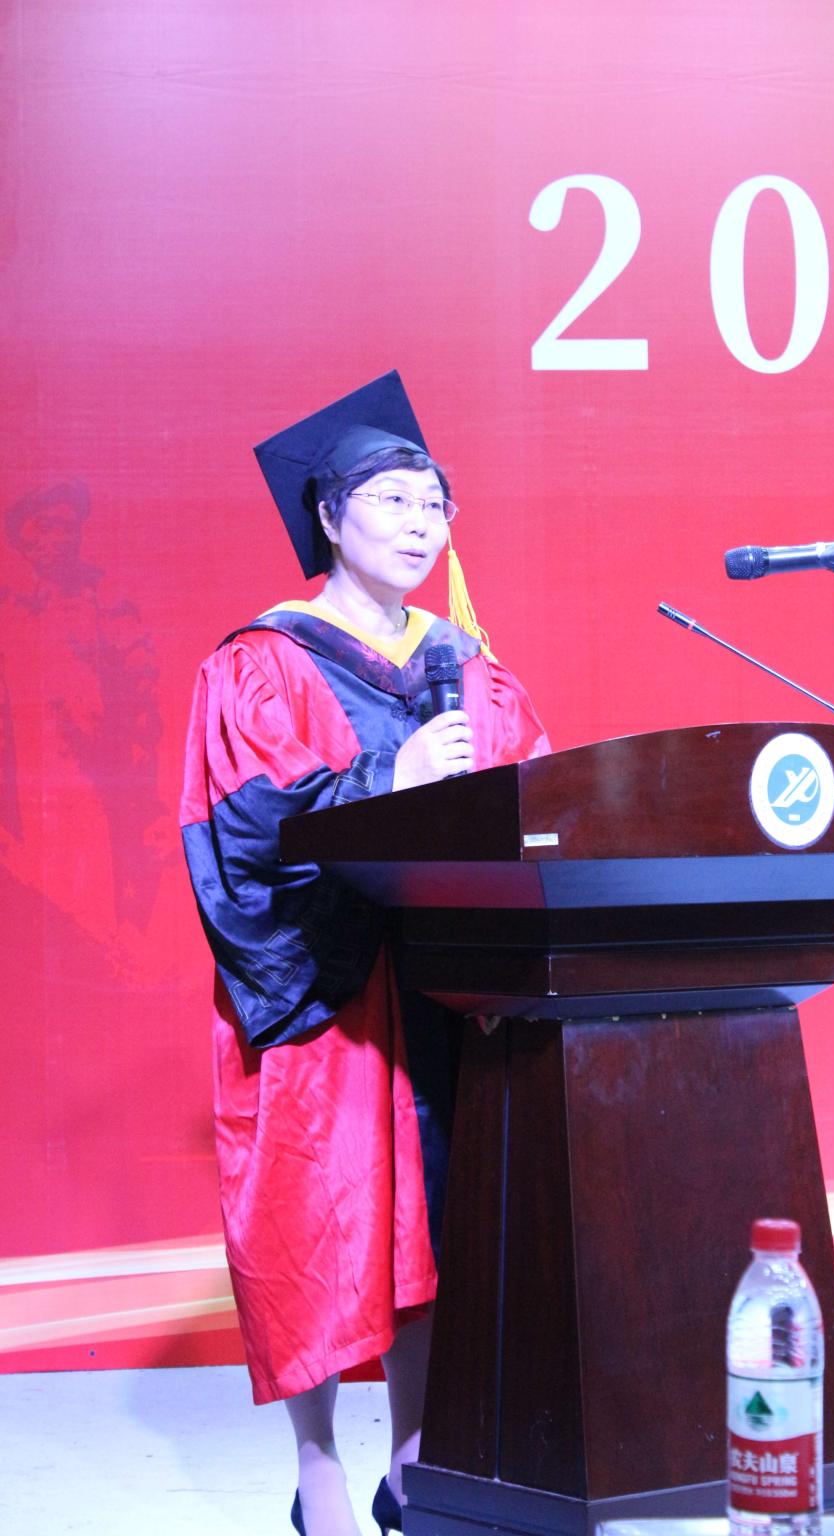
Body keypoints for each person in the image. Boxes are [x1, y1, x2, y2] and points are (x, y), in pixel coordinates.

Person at [180, 372, 549, 1536]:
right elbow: (246, 830)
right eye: (392, 501)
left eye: (434, 503)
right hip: (329, 994)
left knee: (432, 1225)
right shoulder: (264, 662)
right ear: (330, 517)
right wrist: (393, 777)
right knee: (316, 1225)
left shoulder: (468, 666)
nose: (420, 523)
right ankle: (318, 1469)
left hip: (443, 990)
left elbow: (531, 805)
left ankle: (416, 1461)